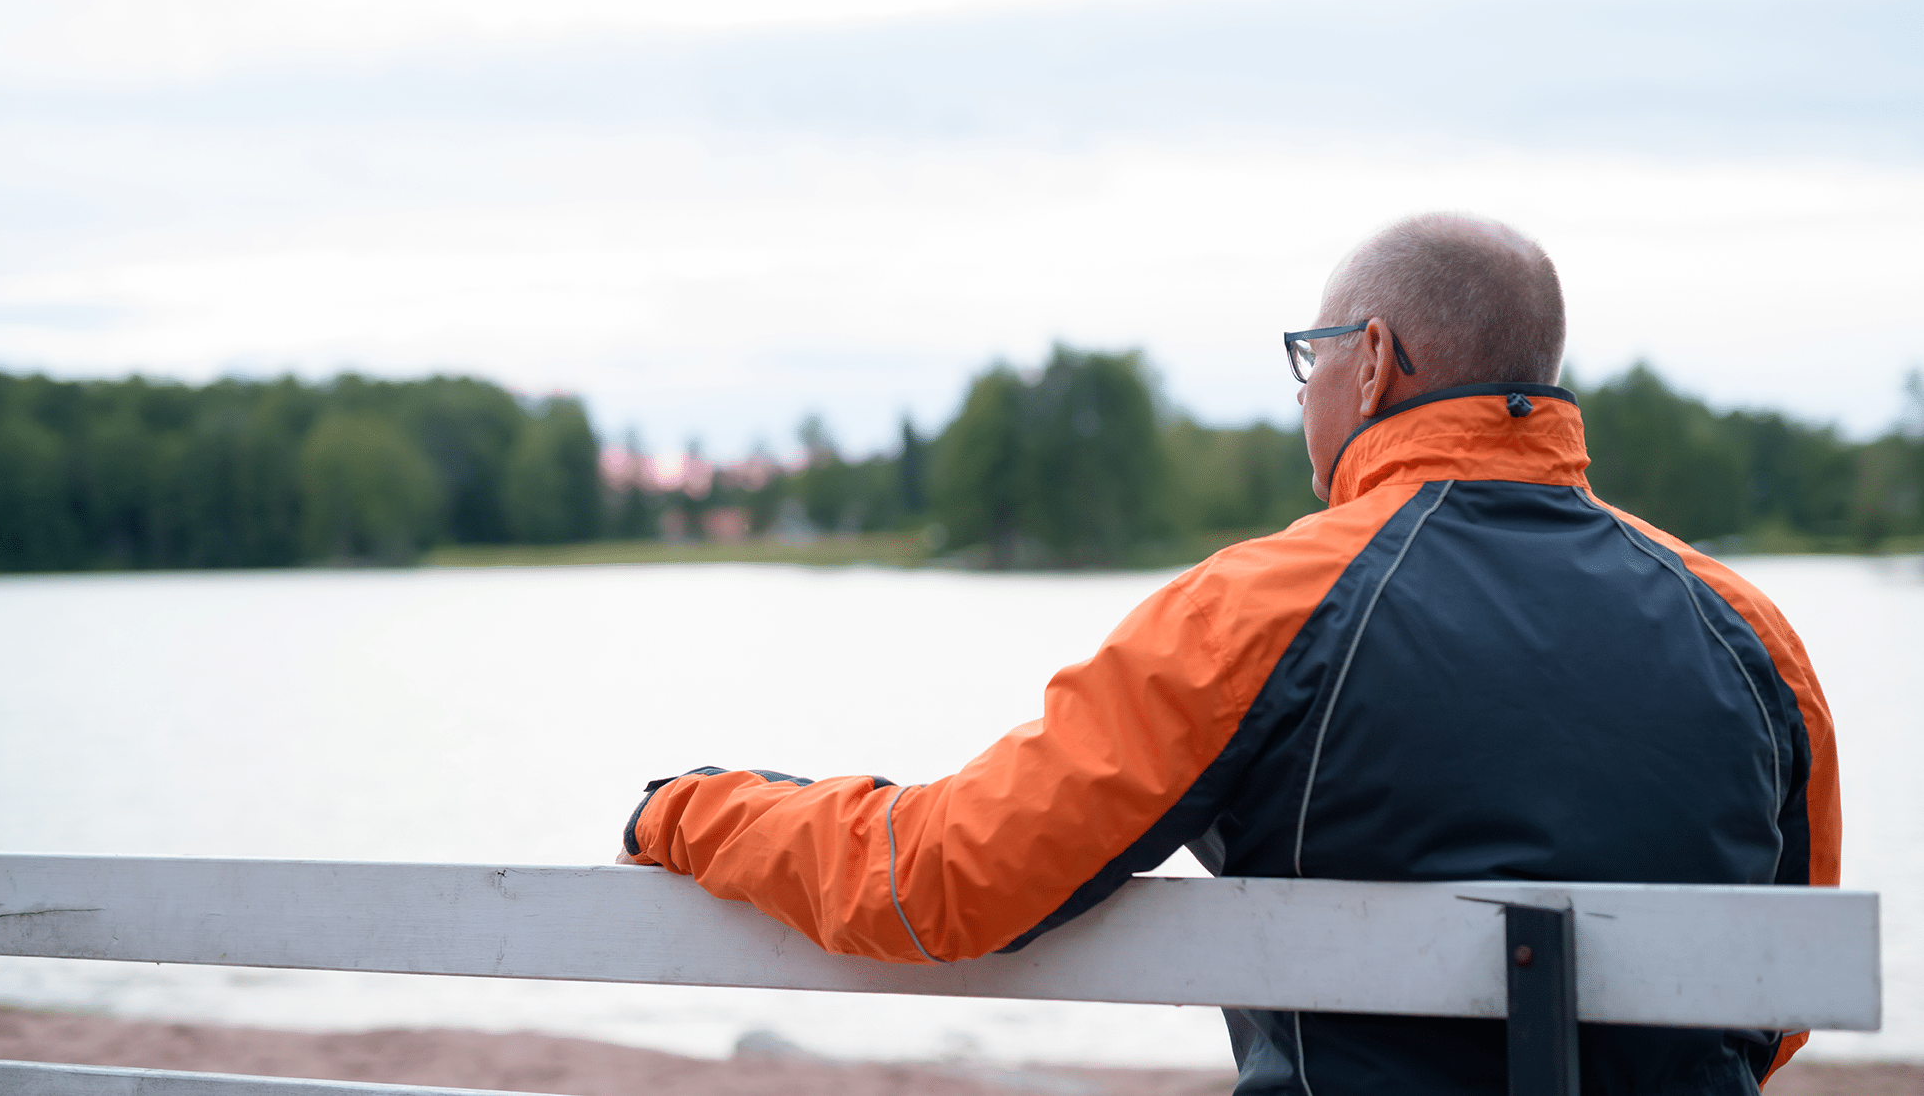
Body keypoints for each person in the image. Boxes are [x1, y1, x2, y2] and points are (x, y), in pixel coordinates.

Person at [617, 212, 1841, 1095]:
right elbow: (1775, 1002)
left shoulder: (1262, 603)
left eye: (1310, 360)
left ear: (1371, 360)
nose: (1304, 395)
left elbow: (939, 878)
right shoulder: (1748, 632)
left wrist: (689, 810)